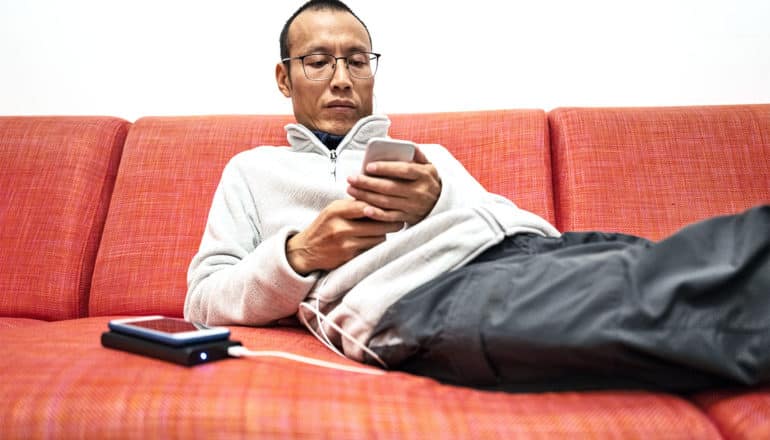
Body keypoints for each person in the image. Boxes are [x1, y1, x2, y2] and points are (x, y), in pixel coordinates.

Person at [186, 0, 770, 392]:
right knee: (667, 290)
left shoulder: (428, 159)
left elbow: (510, 226)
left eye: (357, 60)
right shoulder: (252, 171)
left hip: (535, 254)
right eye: (318, 61)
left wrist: (437, 201)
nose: (342, 78)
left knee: (662, 264)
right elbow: (204, 301)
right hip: (421, 300)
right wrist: (300, 254)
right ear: (285, 77)